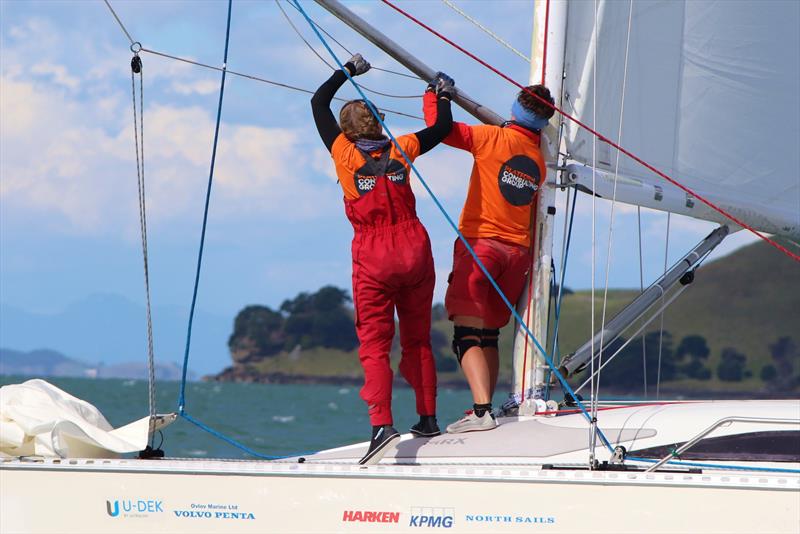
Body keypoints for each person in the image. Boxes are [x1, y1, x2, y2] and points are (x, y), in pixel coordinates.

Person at [311, 55, 455, 464]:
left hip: (373, 254)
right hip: (414, 248)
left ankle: (381, 426)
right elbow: (442, 129)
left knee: (375, 345)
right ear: (378, 124)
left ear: (347, 130)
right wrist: (442, 95)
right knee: (418, 338)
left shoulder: (342, 152)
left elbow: (317, 104)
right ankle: (427, 418)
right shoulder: (403, 147)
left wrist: (348, 71)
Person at [422, 76, 555, 433]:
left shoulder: (490, 137)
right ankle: (486, 408)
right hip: (518, 255)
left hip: (482, 247)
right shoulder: (540, 156)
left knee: (467, 335)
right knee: (489, 335)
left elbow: (440, 129)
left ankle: (481, 413)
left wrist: (434, 95)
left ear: (515, 109)